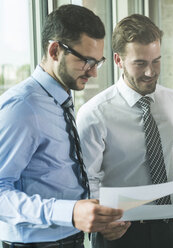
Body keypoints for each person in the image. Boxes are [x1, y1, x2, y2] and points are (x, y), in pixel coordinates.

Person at [0, 4, 130, 247]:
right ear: (55, 50)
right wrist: (68, 212)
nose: (93, 73)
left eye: (97, 62)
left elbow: (59, 176)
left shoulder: (61, 99)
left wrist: (97, 219)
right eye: (86, 61)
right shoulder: (22, 107)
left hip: (71, 239)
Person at [76, 14, 173, 248]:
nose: (151, 72)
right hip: (118, 231)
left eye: (156, 61)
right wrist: (103, 221)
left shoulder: (170, 99)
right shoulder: (95, 113)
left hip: (165, 225)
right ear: (118, 60)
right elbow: (88, 178)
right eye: (140, 63)